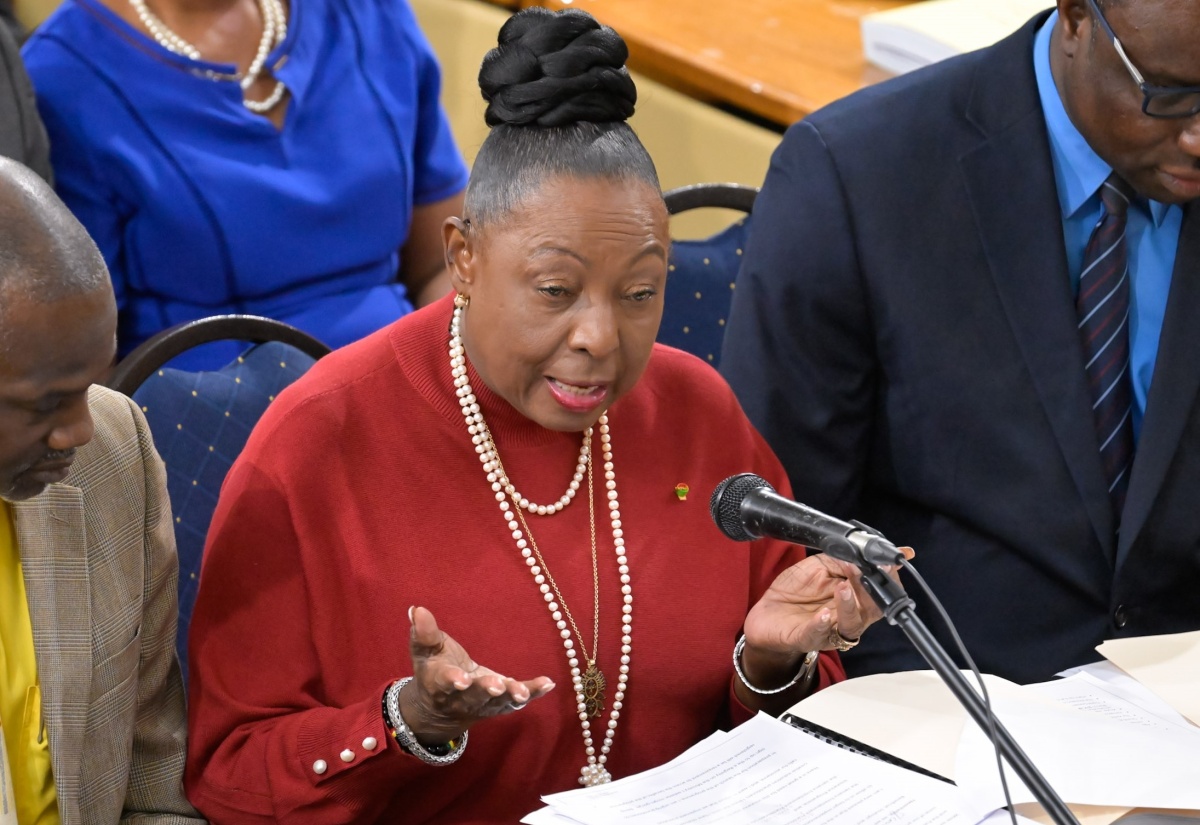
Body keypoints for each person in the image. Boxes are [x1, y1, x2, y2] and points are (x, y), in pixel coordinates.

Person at [183, 8, 887, 822]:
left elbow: (791, 736)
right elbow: (228, 775)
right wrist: (408, 723)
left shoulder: (697, 413)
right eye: (555, 291)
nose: (599, 338)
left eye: (640, 293)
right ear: (464, 258)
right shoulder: (317, 444)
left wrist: (766, 662)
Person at [721, 0, 1200, 684]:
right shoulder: (858, 175)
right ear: (1075, 18)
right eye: (1170, 94)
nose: (1198, 137)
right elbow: (778, 535)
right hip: (937, 708)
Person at [21, 0, 468, 369]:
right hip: (212, 434)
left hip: (408, 381)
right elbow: (88, 362)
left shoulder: (369, 13)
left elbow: (444, 266)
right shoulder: (63, 79)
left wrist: (450, 383)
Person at [0, 158, 200, 822]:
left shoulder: (114, 457)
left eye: (91, 383)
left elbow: (157, 785)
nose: (82, 429)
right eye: (46, 403)